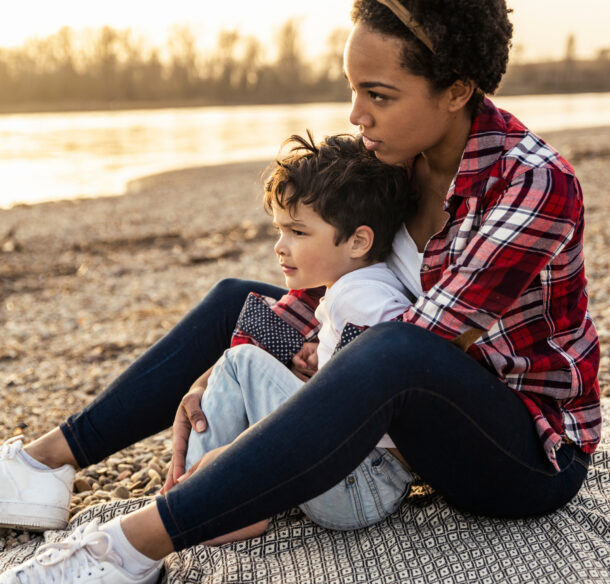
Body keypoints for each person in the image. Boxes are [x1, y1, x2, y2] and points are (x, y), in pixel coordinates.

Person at [0, 1, 601, 582]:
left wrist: (264, 432)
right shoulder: (395, 160)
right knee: (241, 301)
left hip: (523, 452)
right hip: (405, 399)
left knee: (393, 350)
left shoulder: (534, 181)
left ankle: (129, 548)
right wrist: (231, 362)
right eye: (354, 90)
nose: (356, 115)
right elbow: (335, 284)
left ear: (456, 89)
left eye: (379, 95)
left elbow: (427, 339)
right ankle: (45, 463)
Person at [184, 131, 418, 533]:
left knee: (241, 362)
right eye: (279, 230)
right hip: (362, 483)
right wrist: (325, 360)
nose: (280, 246)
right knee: (251, 359)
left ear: (359, 241)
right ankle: (216, 485)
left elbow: (389, 387)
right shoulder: (360, 288)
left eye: (298, 232)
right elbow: (363, 380)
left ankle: (207, 499)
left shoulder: (361, 298)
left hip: (360, 484)